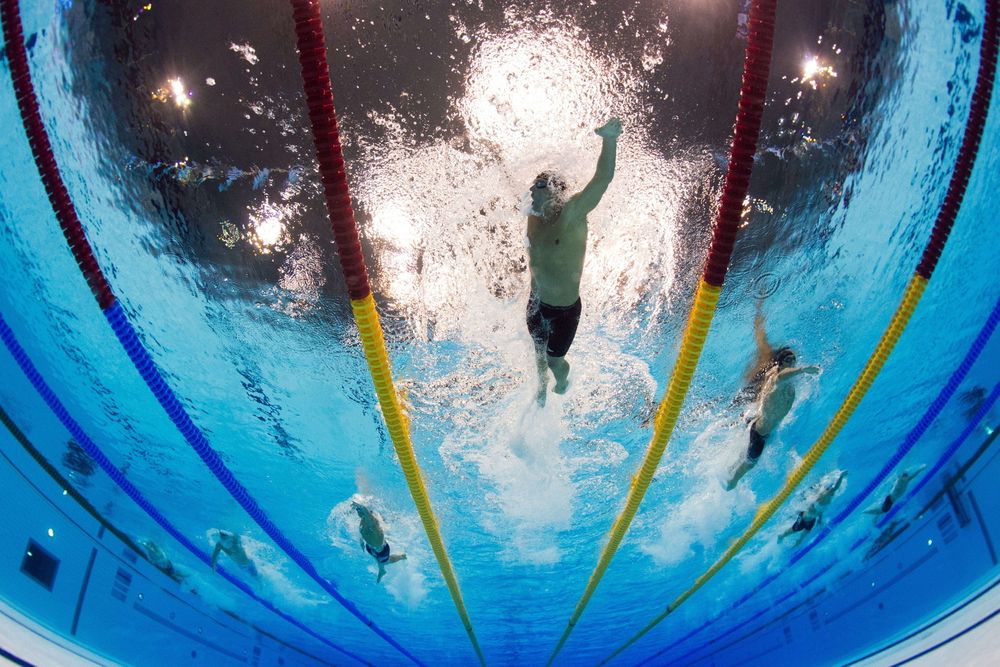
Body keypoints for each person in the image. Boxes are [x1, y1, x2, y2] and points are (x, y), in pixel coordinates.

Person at [526, 117, 622, 406]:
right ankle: (541, 389)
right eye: (533, 184)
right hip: (535, 303)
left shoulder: (572, 215)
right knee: (538, 356)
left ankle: (563, 380)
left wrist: (609, 139)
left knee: (554, 362)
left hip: (564, 312)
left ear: (556, 189)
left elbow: (602, 180)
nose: (532, 189)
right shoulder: (532, 214)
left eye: (539, 184)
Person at [726, 303, 820, 489]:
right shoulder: (776, 376)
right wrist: (802, 369)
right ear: (780, 363)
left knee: (746, 459)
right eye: (788, 360)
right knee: (749, 464)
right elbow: (779, 377)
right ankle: (729, 483)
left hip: (766, 428)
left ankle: (731, 468)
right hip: (760, 431)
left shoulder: (788, 382)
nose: (793, 362)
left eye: (794, 360)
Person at [778, 470, 847, 545]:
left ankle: (797, 542)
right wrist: (841, 476)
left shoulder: (826, 497)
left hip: (811, 518)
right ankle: (781, 536)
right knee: (795, 529)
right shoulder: (826, 495)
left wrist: (820, 518)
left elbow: (821, 510)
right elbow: (835, 487)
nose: (833, 492)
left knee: (806, 532)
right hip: (805, 518)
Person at [352, 502, 406, 583]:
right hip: (370, 547)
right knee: (380, 561)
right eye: (357, 511)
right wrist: (361, 542)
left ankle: (401, 557)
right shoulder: (363, 519)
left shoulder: (372, 522)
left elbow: (367, 515)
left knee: (385, 561)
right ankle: (382, 570)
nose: (357, 512)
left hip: (381, 550)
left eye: (358, 511)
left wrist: (361, 506)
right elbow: (361, 532)